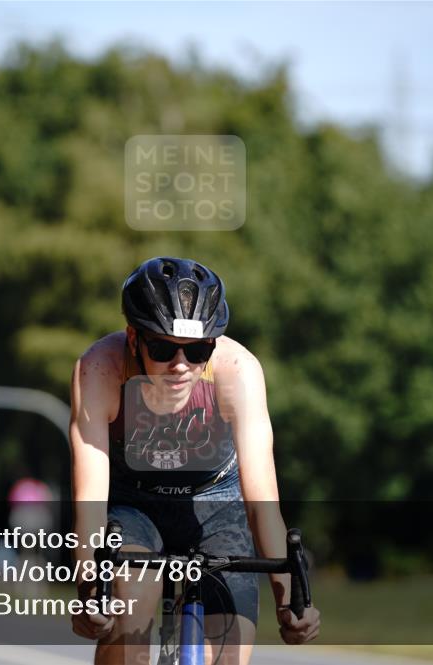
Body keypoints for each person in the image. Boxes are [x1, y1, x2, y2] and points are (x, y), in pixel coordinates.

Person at [70, 257, 321, 665]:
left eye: (199, 349)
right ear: (133, 339)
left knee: (229, 650)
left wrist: (288, 603)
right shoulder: (100, 368)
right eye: (163, 348)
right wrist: (88, 592)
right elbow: (90, 499)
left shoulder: (238, 371)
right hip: (135, 503)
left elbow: (262, 503)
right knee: (126, 609)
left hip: (216, 502)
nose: (181, 366)